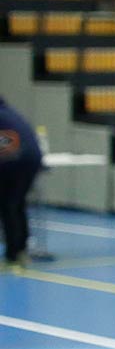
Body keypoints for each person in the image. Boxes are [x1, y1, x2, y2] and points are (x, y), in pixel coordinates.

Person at [0, 95, 44, 267]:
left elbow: (7, 144)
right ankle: (21, 249)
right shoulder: (11, 113)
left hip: (17, 161)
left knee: (8, 206)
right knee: (17, 205)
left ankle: (13, 253)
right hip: (31, 161)